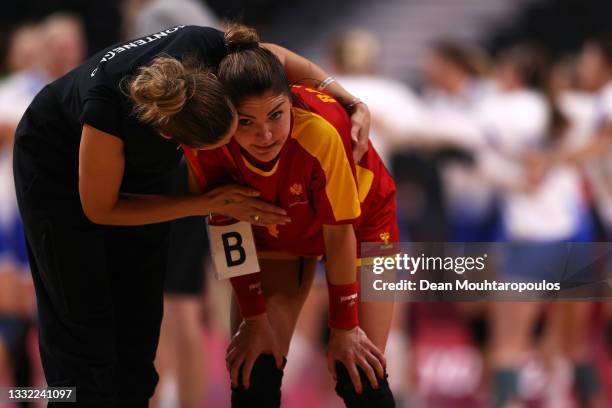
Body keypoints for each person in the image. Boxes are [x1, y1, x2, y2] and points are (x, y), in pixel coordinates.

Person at [12, 24, 370, 407]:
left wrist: (348, 99)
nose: (257, 138)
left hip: (136, 168)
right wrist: (207, 202)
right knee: (82, 333)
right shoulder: (107, 110)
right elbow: (99, 208)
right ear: (174, 140)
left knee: (140, 328)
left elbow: (277, 57)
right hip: (56, 165)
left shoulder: (208, 47)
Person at [184, 25, 398, 407]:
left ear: (292, 101)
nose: (265, 135)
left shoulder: (321, 130)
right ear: (223, 117)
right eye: (245, 122)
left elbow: (338, 233)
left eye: (276, 115)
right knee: (254, 370)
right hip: (277, 220)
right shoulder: (208, 139)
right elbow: (226, 226)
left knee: (360, 372)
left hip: (363, 220)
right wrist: (253, 319)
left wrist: (344, 328)